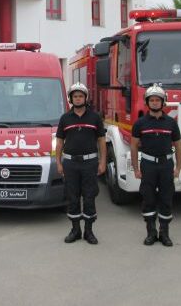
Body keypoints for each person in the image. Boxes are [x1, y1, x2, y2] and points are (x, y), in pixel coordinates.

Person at [131, 84, 181, 247]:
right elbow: (134, 146)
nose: (154, 102)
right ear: (147, 102)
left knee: (166, 198)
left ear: (163, 102)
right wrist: (136, 168)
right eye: (152, 100)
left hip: (166, 165)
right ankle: (151, 233)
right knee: (148, 198)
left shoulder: (171, 123)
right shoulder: (140, 123)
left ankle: (164, 233)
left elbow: (178, 146)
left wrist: (178, 168)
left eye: (157, 100)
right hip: (148, 165)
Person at [55, 82, 107, 244]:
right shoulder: (65, 118)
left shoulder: (95, 117)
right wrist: (58, 162)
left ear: (86, 98)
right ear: (71, 99)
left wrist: (102, 162)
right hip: (70, 164)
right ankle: (75, 230)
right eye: (75, 96)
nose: (78, 99)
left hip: (90, 163)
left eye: (80, 96)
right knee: (73, 197)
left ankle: (89, 231)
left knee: (89, 196)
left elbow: (102, 140)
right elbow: (59, 142)